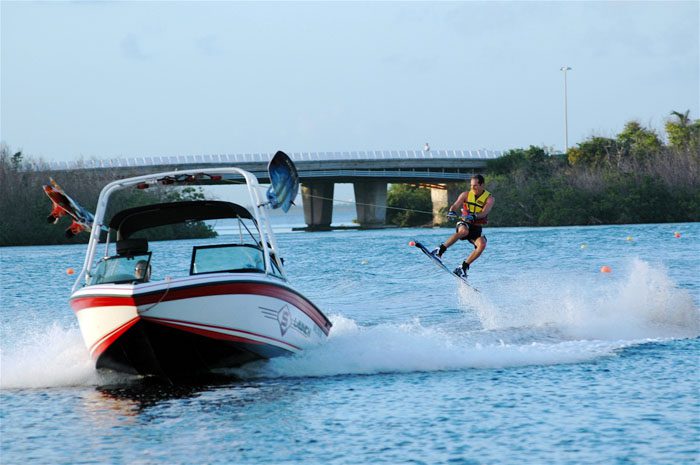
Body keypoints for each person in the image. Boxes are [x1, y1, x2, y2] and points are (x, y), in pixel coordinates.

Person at [431, 174, 495, 277]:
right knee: (463, 231)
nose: (472, 188)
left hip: (477, 226)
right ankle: (439, 251)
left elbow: (484, 212)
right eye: (471, 185)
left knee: (482, 244)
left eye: (475, 185)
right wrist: (452, 211)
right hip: (464, 223)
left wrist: (474, 216)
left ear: (482, 185)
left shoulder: (489, 199)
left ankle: (463, 268)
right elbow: (455, 205)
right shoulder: (465, 195)